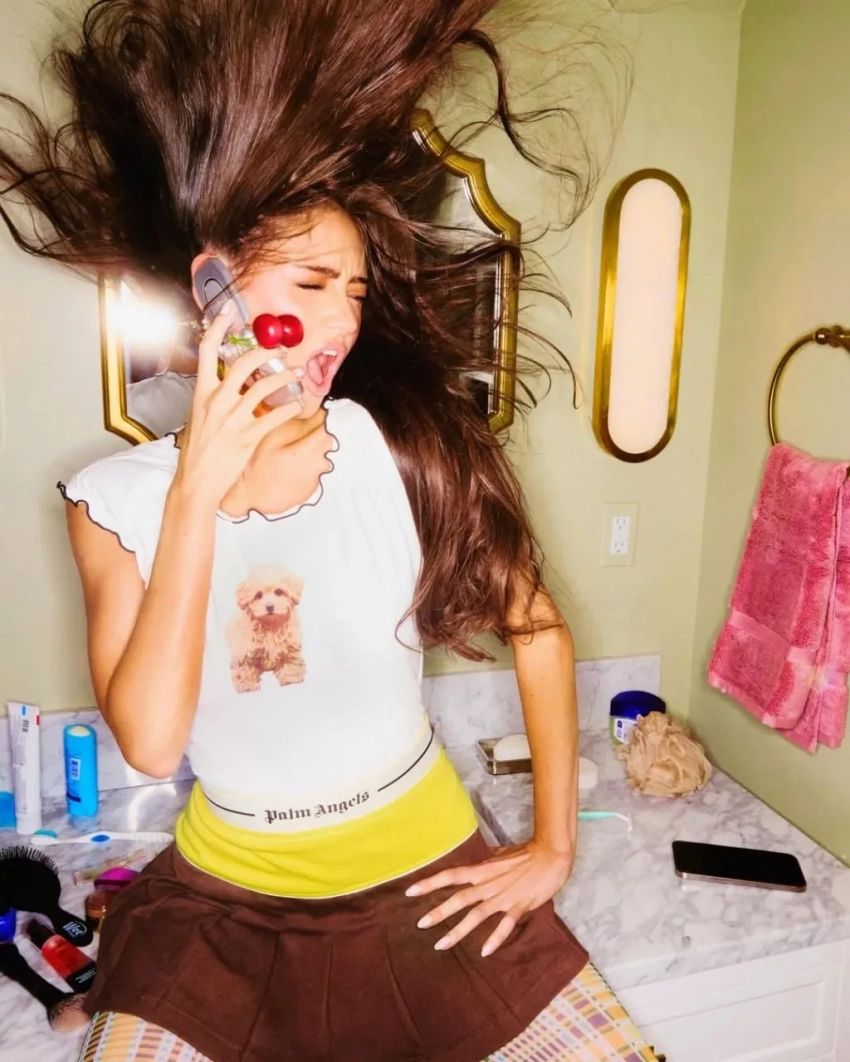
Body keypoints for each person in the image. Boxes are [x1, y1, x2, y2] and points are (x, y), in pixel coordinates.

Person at [0, 1, 658, 1059]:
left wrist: (550, 846)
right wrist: (195, 493)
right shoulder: (113, 501)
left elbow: (535, 626)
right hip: (226, 901)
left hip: (430, 876)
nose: (343, 321)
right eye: (311, 284)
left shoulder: (399, 447)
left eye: (354, 291)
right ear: (212, 286)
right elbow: (153, 742)